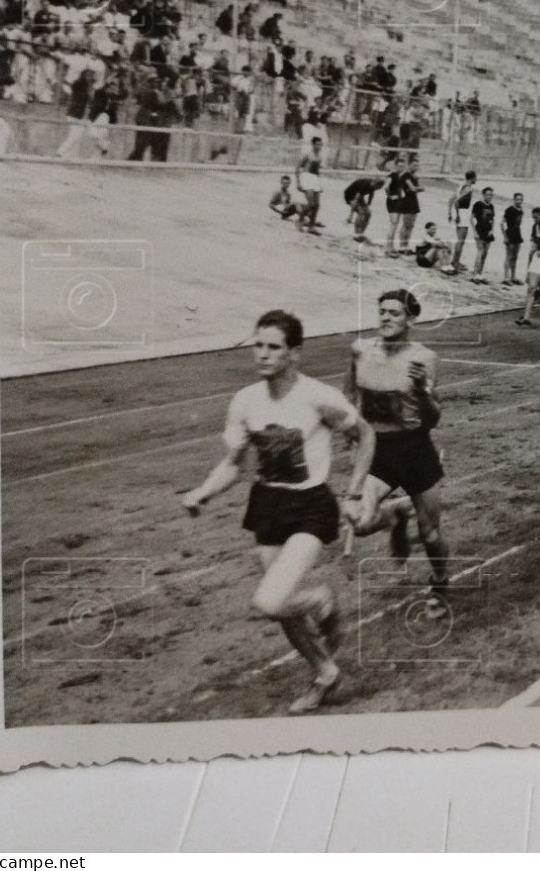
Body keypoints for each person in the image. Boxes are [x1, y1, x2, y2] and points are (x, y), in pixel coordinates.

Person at [180, 310, 376, 715]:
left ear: (295, 354)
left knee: (271, 601)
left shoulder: (319, 397)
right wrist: (203, 491)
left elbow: (365, 435)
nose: (263, 355)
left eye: (274, 347)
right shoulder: (245, 401)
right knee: (285, 610)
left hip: (310, 506)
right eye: (259, 346)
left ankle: (322, 599)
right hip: (267, 506)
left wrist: (355, 492)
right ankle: (326, 674)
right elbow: (234, 464)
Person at [344, 289, 451, 617]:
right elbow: (348, 395)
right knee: (360, 522)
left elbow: (433, 418)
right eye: (383, 312)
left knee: (430, 534)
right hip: (378, 450)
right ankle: (394, 516)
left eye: (395, 313)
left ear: (411, 319)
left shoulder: (425, 358)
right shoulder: (360, 350)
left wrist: (421, 391)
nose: (387, 318)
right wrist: (352, 434)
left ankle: (440, 583)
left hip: (416, 449)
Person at [384, 153, 422, 257]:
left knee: (396, 225)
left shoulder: (401, 176)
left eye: (403, 166)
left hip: (399, 202)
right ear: (395, 166)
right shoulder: (392, 175)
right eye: (400, 166)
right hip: (393, 201)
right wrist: (390, 196)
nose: (401, 168)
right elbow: (386, 186)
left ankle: (391, 248)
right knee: (394, 225)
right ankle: (388, 248)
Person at [447, 169, 477, 272]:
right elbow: (457, 200)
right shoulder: (468, 189)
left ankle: (456, 261)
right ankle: (455, 262)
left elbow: (451, 199)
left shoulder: (461, 186)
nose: (476, 179)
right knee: (461, 240)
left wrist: (450, 213)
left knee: (459, 240)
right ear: (472, 178)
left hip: (459, 212)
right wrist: (459, 215)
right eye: (475, 177)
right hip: (463, 213)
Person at [295, 137, 325, 234]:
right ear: (313, 144)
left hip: (315, 179)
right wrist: (298, 183)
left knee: (317, 205)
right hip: (306, 178)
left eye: (320, 144)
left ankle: (311, 227)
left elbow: (317, 172)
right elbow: (298, 168)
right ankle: (300, 219)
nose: (319, 146)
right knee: (311, 204)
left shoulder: (320, 156)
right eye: (317, 144)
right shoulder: (307, 154)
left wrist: (319, 185)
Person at [343, 175, 385, 243]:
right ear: (375, 184)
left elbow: (371, 193)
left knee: (368, 214)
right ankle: (356, 234)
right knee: (361, 212)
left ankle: (361, 233)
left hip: (359, 197)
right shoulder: (365, 185)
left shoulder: (373, 185)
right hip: (350, 196)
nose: (379, 189)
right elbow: (355, 200)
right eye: (378, 187)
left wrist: (368, 203)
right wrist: (350, 216)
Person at [469, 186, 497, 284]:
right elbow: (471, 218)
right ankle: (475, 274)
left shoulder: (491, 206)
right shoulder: (478, 204)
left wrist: (492, 230)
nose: (489, 196)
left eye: (491, 195)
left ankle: (480, 273)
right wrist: (474, 232)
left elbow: (493, 220)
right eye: (487, 194)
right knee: (480, 252)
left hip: (488, 232)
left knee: (485, 253)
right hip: (479, 231)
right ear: (483, 195)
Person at [501, 192, 526, 286]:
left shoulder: (521, 210)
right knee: (508, 257)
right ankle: (505, 277)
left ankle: (513, 276)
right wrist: (505, 237)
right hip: (510, 234)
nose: (519, 201)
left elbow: (518, 224)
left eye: (521, 199)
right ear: (514, 200)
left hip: (517, 235)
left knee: (515, 257)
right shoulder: (509, 210)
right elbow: (502, 224)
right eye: (517, 199)